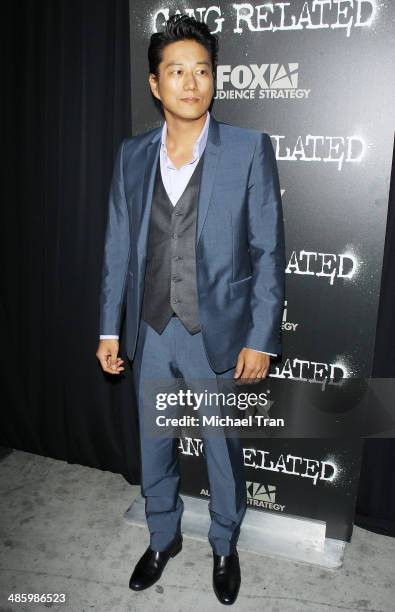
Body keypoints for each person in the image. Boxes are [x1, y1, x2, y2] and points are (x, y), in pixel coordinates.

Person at [96, 14, 285, 606]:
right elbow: (117, 248)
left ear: (213, 79)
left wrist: (261, 337)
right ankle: (162, 537)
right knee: (154, 444)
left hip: (218, 334)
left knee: (223, 449)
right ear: (156, 84)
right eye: (176, 70)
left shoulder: (249, 150)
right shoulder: (131, 156)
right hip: (150, 332)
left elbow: (268, 251)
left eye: (201, 70)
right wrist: (108, 328)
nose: (191, 82)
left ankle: (225, 545)